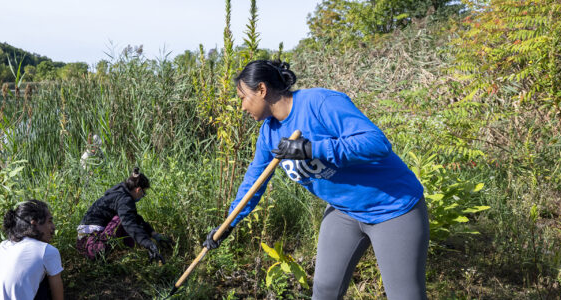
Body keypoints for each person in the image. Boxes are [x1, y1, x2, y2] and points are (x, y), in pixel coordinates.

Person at [202, 60, 429, 300]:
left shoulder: (319, 103)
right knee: (324, 292)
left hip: (392, 206)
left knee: (406, 296)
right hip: (344, 212)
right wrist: (229, 223)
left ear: (261, 90)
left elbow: (376, 143)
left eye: (242, 97)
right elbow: (253, 182)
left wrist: (311, 148)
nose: (241, 107)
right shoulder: (268, 133)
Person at [76, 167, 172, 263]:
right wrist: (148, 244)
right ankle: (130, 254)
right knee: (123, 221)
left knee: (128, 218)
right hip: (91, 247)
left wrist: (154, 235)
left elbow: (134, 217)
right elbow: (129, 224)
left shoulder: (119, 193)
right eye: (143, 193)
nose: (142, 196)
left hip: (84, 242)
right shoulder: (124, 199)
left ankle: (130, 252)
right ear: (138, 190)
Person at [0, 200, 64, 300]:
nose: (53, 227)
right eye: (49, 221)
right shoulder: (46, 251)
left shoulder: (2, 246)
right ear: (34, 223)